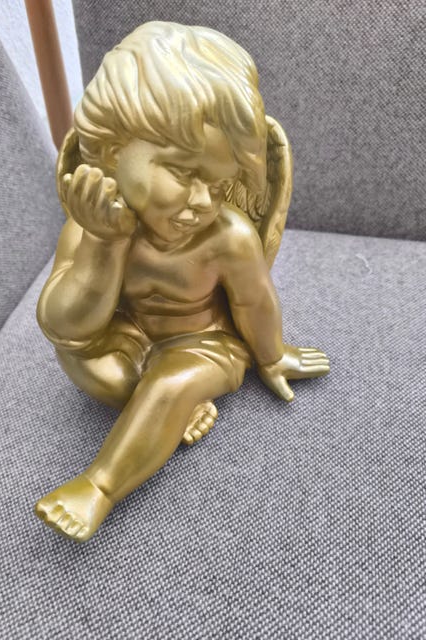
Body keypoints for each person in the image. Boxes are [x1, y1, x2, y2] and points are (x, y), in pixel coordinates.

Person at [35, 22, 329, 542]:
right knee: (88, 363)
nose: (202, 202)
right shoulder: (88, 227)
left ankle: (98, 487)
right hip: (125, 336)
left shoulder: (228, 238)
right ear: (112, 153)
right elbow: (65, 327)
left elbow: (255, 301)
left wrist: (271, 356)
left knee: (174, 380)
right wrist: (104, 245)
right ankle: (163, 414)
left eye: (218, 184)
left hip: (203, 342)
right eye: (183, 173)